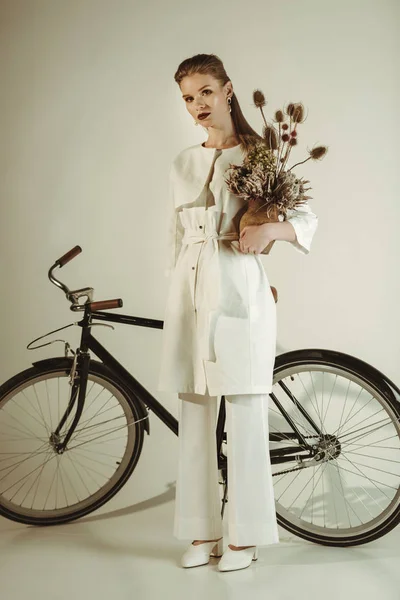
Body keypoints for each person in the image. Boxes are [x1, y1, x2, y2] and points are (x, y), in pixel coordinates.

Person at [157, 53, 318, 571]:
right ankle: (203, 532)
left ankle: (244, 537)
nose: (197, 105)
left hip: (238, 285)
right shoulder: (183, 161)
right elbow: (174, 236)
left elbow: (304, 217)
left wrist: (270, 231)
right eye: (187, 97)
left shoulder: (259, 153)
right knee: (196, 410)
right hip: (189, 289)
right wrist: (175, 292)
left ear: (228, 90)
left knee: (245, 413)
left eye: (205, 91)